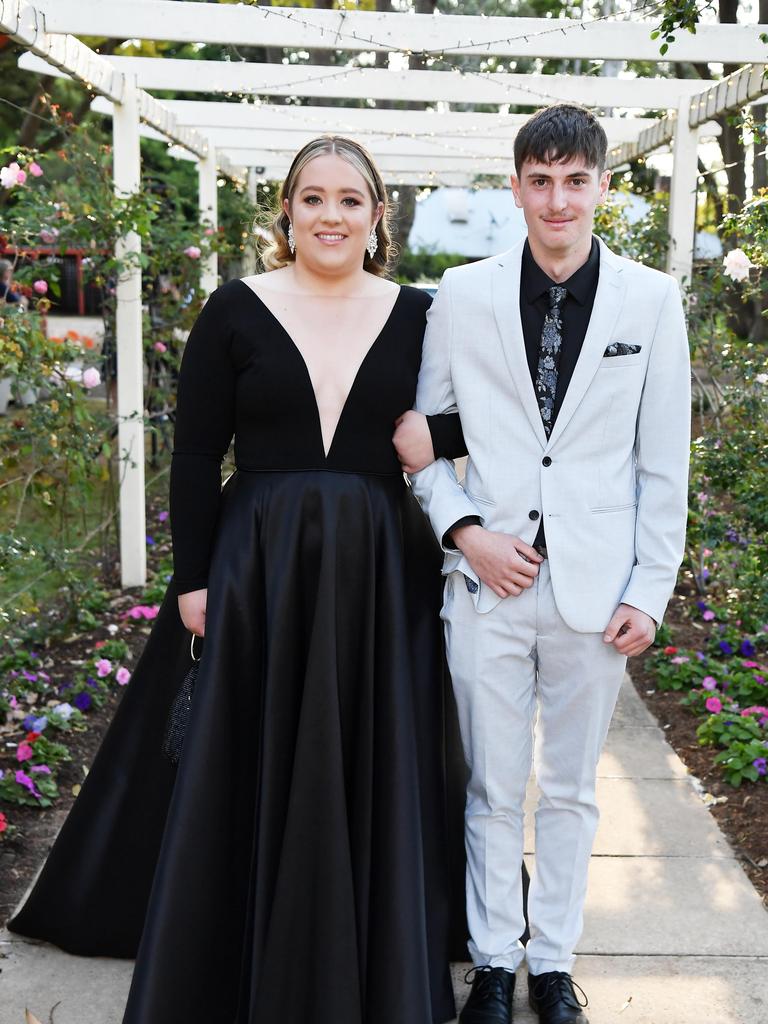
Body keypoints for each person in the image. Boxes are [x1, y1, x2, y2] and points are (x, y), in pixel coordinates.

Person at [9, 136, 469, 1024]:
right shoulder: (235, 308)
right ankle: (235, 943)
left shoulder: (424, 314)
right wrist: (192, 577)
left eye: (349, 200)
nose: (330, 216)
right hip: (255, 559)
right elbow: (191, 453)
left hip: (381, 567)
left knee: (374, 751)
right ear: (285, 213)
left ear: (379, 217)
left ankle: (373, 949)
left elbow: (482, 418)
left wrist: (437, 443)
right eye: (312, 199)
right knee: (243, 749)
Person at [394, 104, 691, 1024]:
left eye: (575, 180)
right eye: (539, 180)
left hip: (596, 592)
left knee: (567, 789)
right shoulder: (462, 293)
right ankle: (491, 964)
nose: (557, 200)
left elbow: (661, 462)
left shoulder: (651, 300)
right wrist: (466, 533)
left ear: (603, 185)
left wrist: (651, 588)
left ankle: (553, 964)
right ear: (516, 186)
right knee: (489, 785)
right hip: (487, 584)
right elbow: (425, 444)